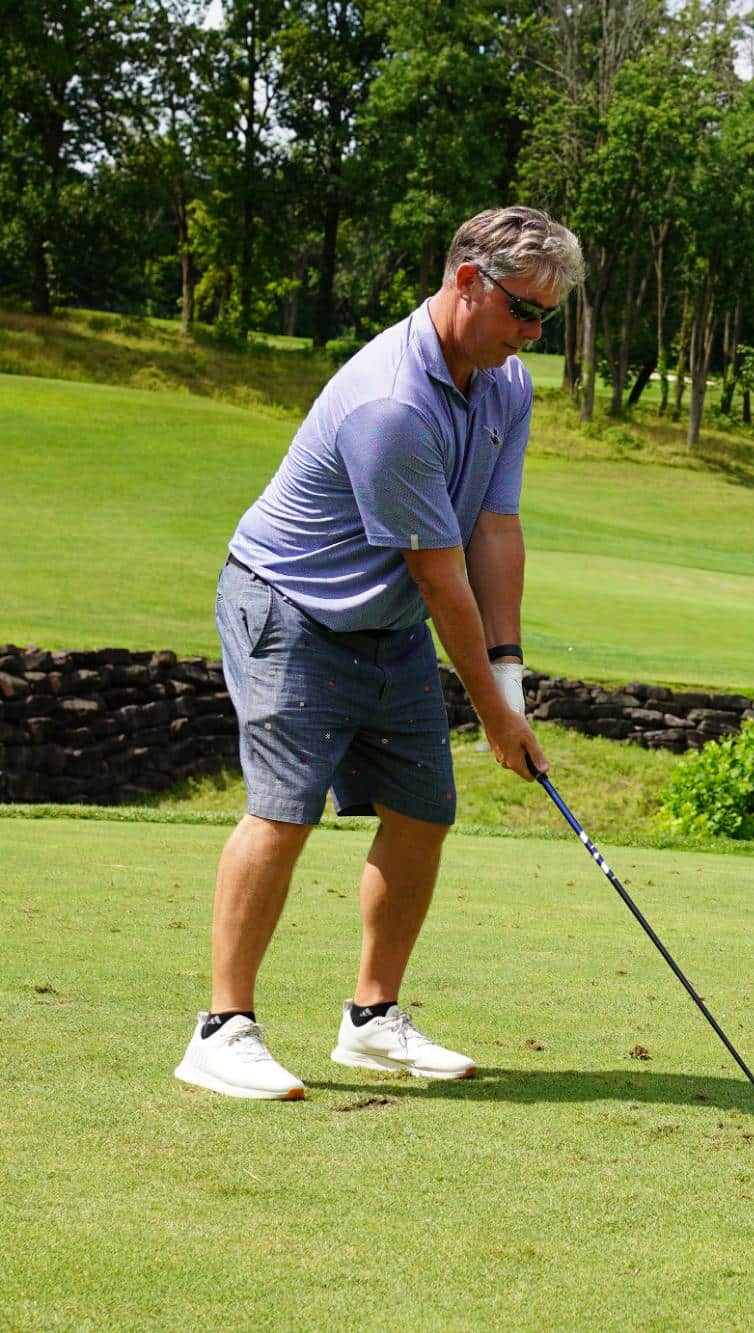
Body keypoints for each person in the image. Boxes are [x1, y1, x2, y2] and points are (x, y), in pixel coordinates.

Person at [173, 206, 584, 1099]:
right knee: (285, 810)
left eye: (548, 318)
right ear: (466, 280)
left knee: (422, 809)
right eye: (523, 310)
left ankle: (371, 1020)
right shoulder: (392, 401)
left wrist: (508, 678)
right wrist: (491, 713)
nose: (533, 333)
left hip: (384, 620)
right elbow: (442, 580)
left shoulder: (504, 382)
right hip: (290, 604)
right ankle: (221, 1028)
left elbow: (495, 527)